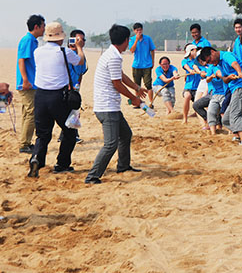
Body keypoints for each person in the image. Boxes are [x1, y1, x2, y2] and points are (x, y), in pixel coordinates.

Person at [86, 25, 147, 184]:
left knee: (126, 134)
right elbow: (117, 83)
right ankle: (92, 176)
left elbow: (120, 75)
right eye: (129, 40)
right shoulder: (113, 57)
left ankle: (123, 166)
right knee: (111, 144)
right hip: (107, 107)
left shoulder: (111, 54)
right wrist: (134, 98)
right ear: (126, 40)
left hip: (110, 106)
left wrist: (136, 87)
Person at [27, 22, 86, 177]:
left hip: (40, 96)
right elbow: (80, 61)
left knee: (42, 134)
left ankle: (36, 158)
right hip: (58, 96)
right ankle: (62, 164)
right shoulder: (64, 51)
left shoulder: (38, 52)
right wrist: (79, 47)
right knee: (69, 131)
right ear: (60, 37)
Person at [196, 46, 242, 145]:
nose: (211, 63)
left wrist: (239, 73)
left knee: (235, 115)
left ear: (213, 52)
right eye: (208, 62)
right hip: (233, 90)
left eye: (210, 59)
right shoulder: (219, 65)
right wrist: (229, 77)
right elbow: (225, 79)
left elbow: (234, 63)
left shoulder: (226, 55)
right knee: (226, 119)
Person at [16, 14, 45, 154]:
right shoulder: (27, 40)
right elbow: (21, 60)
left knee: (27, 113)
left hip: (32, 82)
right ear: (36, 27)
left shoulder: (33, 41)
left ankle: (25, 141)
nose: (44, 29)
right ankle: (25, 144)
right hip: (27, 84)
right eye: (43, 26)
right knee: (31, 113)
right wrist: (25, 80)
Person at [128, 22, 156, 105]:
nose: (139, 32)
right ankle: (138, 102)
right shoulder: (132, 39)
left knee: (148, 84)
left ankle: (151, 103)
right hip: (136, 65)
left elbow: (152, 50)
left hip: (147, 65)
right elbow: (132, 50)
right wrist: (136, 40)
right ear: (134, 31)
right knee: (137, 85)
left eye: (140, 30)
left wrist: (152, 61)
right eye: (137, 30)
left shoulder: (148, 38)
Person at [180, 44, 202, 125]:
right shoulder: (185, 61)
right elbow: (186, 66)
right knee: (187, 96)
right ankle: (185, 118)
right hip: (189, 86)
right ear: (190, 51)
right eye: (195, 50)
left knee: (199, 102)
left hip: (198, 87)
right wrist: (190, 70)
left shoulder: (199, 61)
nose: (196, 52)